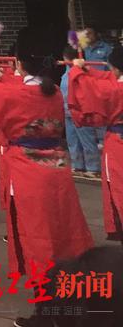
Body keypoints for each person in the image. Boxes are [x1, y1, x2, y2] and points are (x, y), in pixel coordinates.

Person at [0, 27, 93, 324]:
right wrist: (2, 76)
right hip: (57, 170)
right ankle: (68, 302)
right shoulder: (53, 91)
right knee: (64, 235)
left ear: (19, 62)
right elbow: (20, 91)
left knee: (38, 241)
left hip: (27, 172)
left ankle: (45, 314)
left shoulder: (14, 92)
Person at [67, 42, 123, 238]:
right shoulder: (114, 84)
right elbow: (104, 78)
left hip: (119, 143)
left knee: (119, 189)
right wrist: (86, 69)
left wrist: (76, 71)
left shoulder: (113, 89)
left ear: (115, 68)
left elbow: (91, 88)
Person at [65, 27, 112, 178]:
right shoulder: (80, 51)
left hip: (96, 89)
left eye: (90, 33)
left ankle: (96, 166)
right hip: (74, 101)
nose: (88, 36)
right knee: (74, 137)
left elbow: (108, 69)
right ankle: (78, 164)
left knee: (93, 135)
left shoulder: (106, 49)